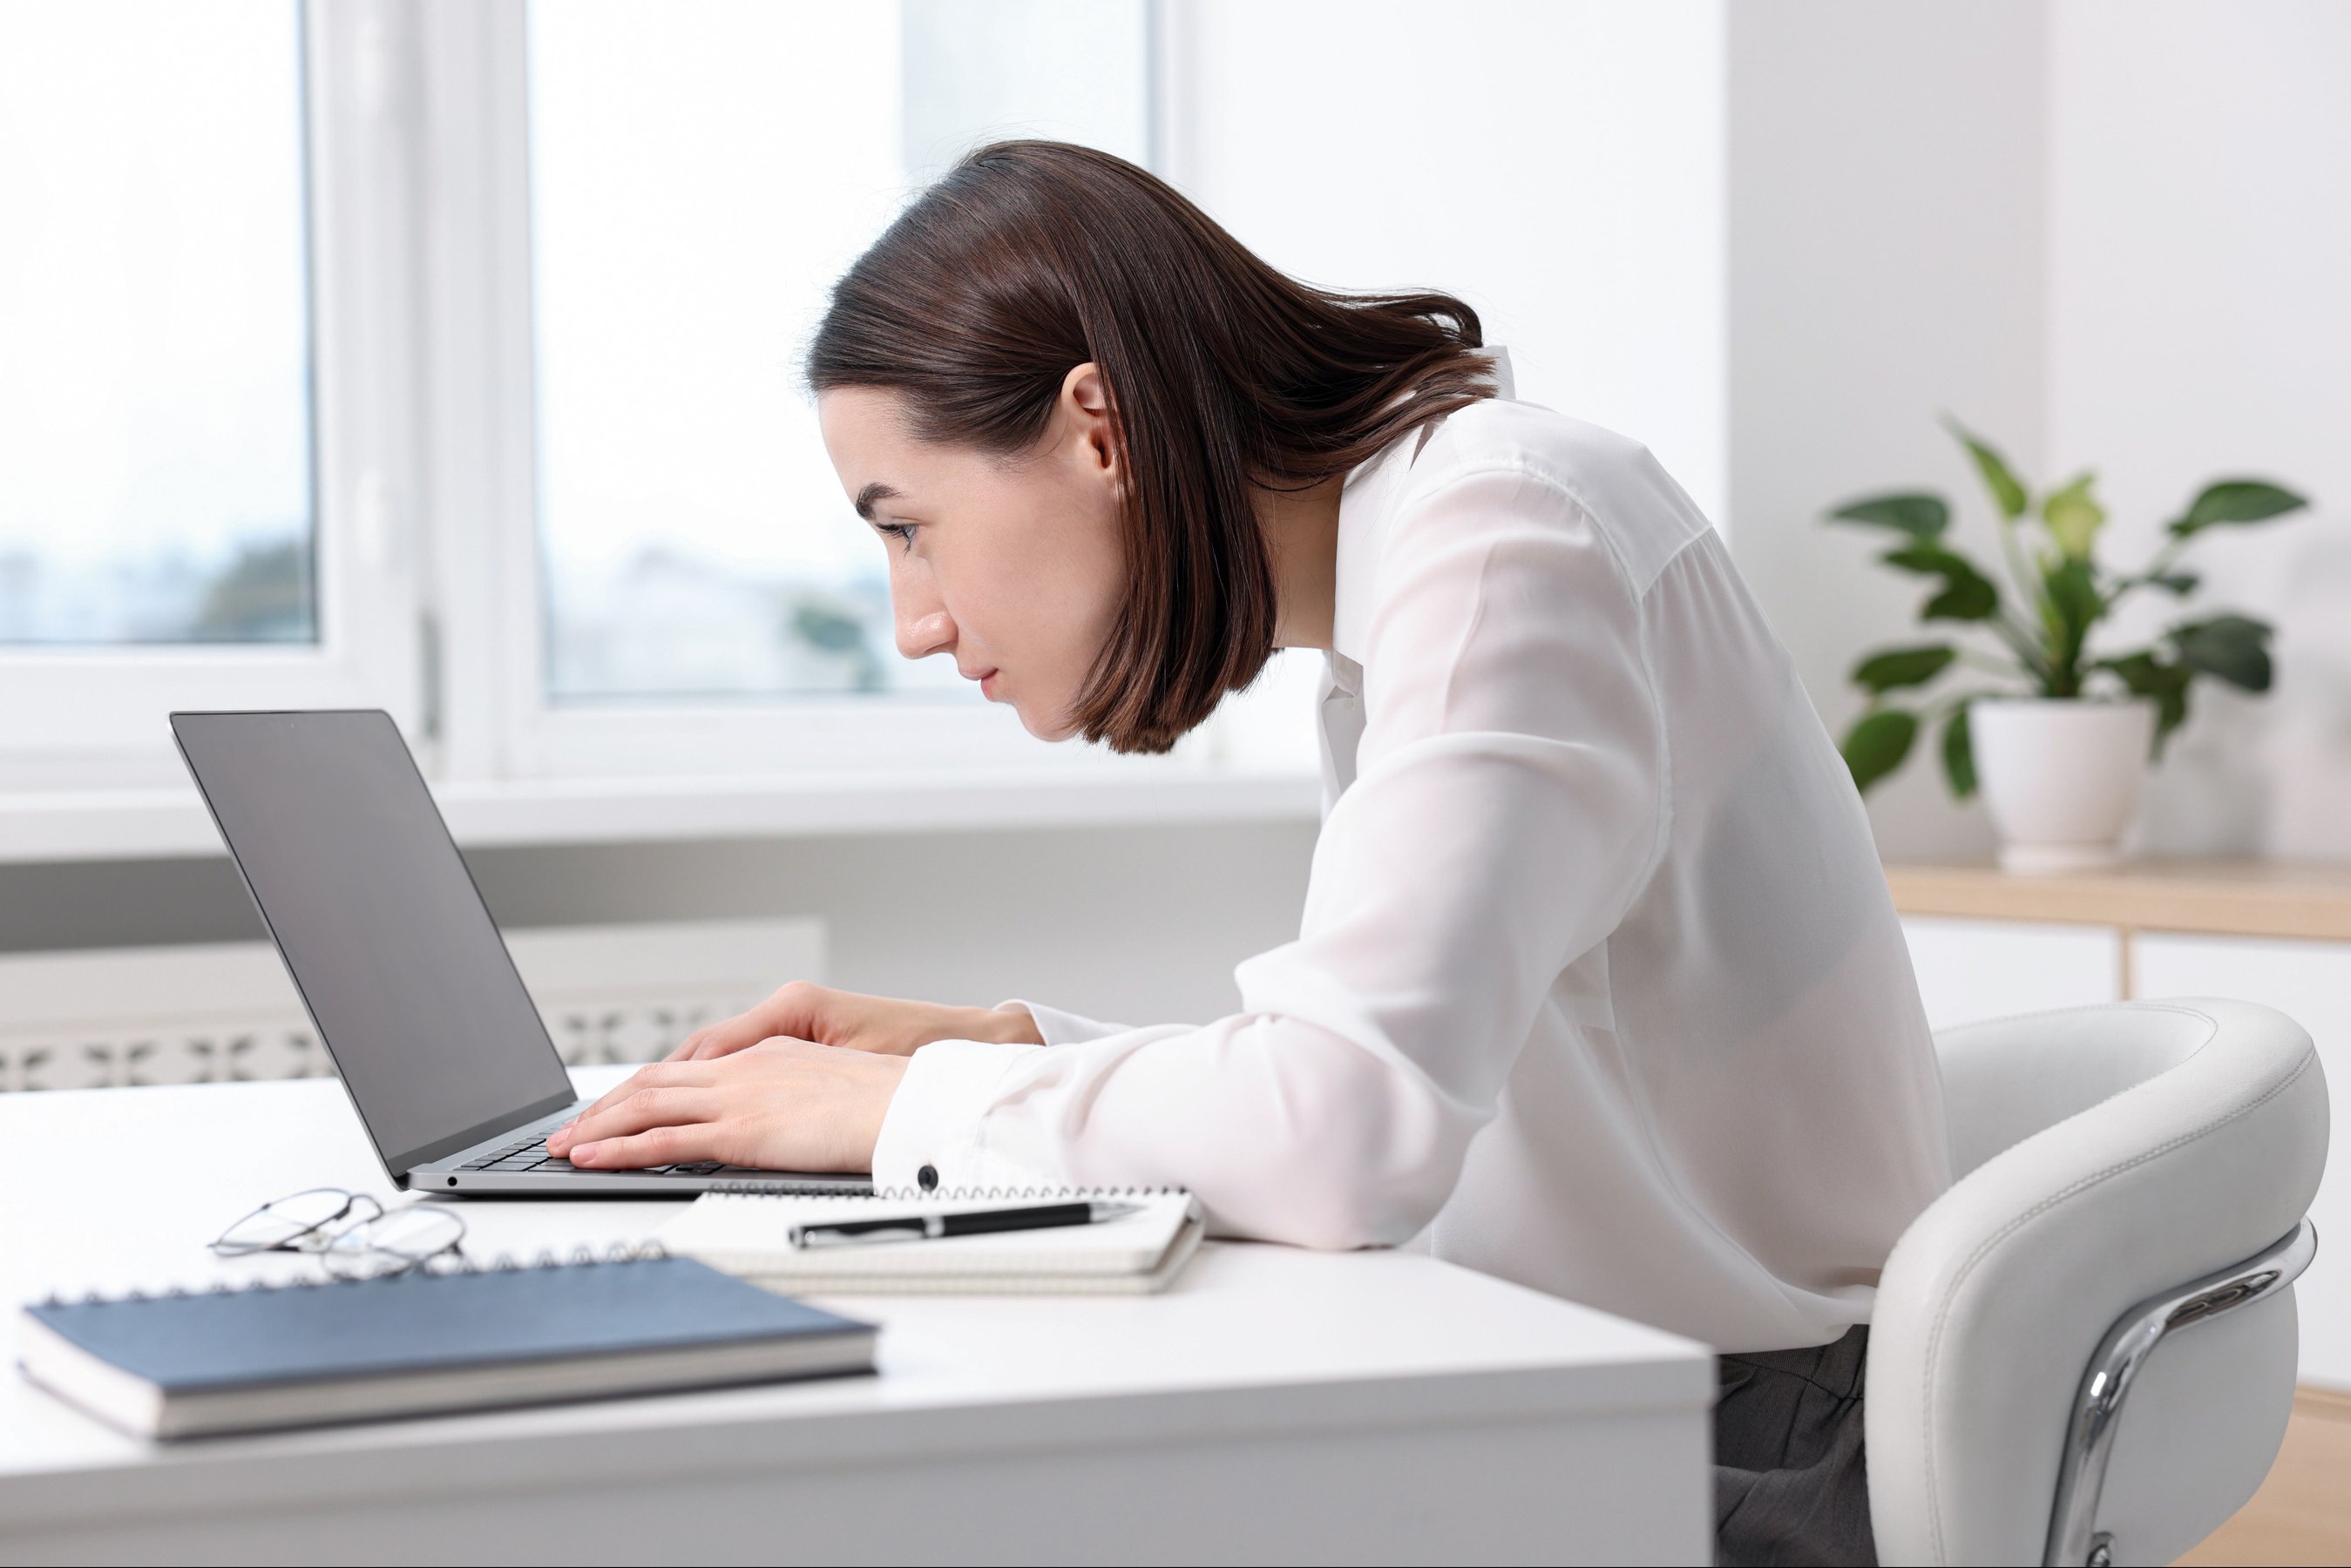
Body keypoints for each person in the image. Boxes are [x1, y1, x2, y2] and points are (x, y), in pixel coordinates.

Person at [545, 141, 1948, 1565]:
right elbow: (1377, 1081)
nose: (913, 620)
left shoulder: (1505, 537)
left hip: (1736, 1461)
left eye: (910, 530)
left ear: (1099, 430)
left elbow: (1342, 1134)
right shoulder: (1429, 568)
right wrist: (1008, 1048)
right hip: (1626, 1390)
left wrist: (896, 1113)